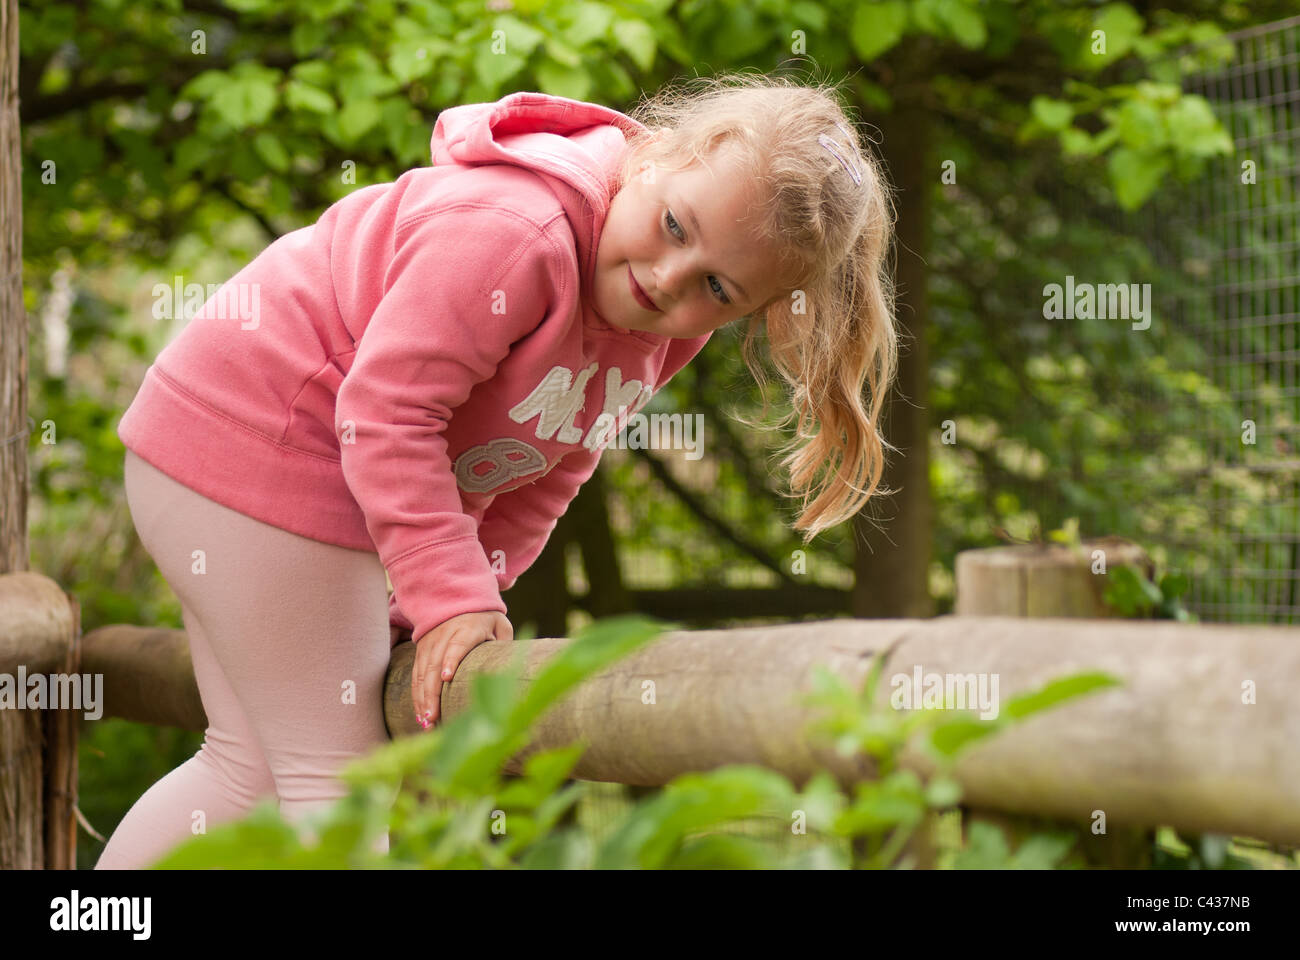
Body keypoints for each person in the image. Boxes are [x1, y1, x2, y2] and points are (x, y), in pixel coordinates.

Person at [94, 71, 899, 869]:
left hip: (243, 469)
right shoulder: (516, 233)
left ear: (749, 311)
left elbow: (551, 463)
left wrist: (461, 593)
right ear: (654, 158)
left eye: (716, 287)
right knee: (343, 788)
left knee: (248, 769)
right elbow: (387, 414)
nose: (667, 279)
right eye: (674, 227)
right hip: (256, 448)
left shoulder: (659, 330)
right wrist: (448, 596)